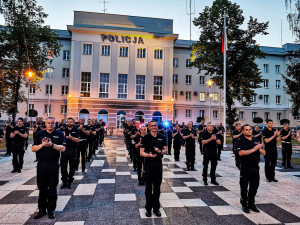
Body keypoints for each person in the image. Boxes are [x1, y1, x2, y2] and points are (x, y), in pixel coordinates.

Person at [32, 117, 65, 220]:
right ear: (45, 124)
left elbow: (63, 148)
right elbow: (33, 148)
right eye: (48, 123)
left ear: (55, 124)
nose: (50, 125)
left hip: (53, 165)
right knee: (42, 188)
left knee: (52, 188)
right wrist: (42, 144)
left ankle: (51, 210)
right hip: (41, 165)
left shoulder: (59, 134)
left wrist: (51, 145)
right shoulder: (39, 134)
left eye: (52, 123)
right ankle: (41, 210)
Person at [140, 120, 167, 218]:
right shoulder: (145, 138)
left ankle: (156, 209)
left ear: (157, 126)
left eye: (155, 125)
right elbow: (141, 152)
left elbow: (166, 150)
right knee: (148, 188)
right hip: (148, 164)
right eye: (152, 126)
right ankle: (148, 209)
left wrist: (160, 151)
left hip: (158, 165)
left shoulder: (162, 137)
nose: (154, 127)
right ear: (149, 127)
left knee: (157, 188)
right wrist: (149, 155)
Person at [237, 124, 265, 213]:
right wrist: (253, 149)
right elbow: (240, 153)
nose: (249, 131)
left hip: (255, 167)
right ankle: (244, 204)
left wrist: (259, 149)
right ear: (243, 131)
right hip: (245, 167)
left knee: (254, 186)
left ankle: (251, 203)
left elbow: (264, 153)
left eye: (250, 129)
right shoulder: (241, 140)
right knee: (244, 186)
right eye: (246, 129)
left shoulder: (256, 140)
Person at [60, 118, 80, 189]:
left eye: (71, 122)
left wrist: (71, 137)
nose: (69, 123)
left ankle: (70, 180)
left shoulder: (76, 130)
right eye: (68, 122)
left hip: (73, 150)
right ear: (66, 123)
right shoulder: (63, 130)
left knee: (72, 166)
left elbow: (78, 140)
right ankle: (64, 181)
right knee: (63, 166)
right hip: (64, 150)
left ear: (73, 123)